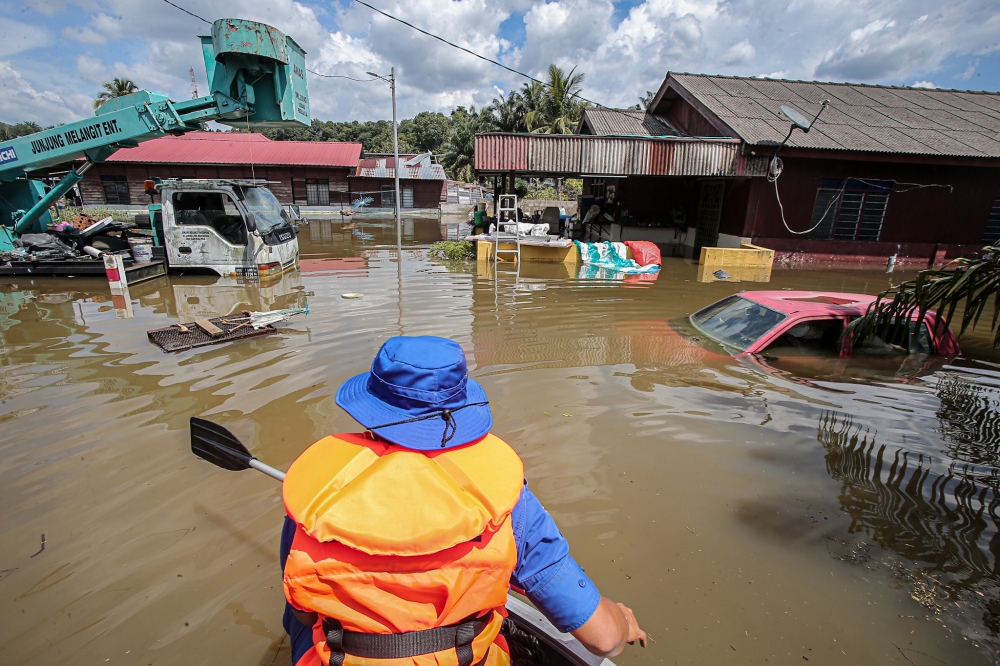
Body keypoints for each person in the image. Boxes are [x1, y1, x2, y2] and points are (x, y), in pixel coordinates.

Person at [280, 336, 646, 666]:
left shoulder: (315, 500)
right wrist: (621, 621)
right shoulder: (507, 501)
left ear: (371, 410)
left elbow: (305, 615)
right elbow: (604, 640)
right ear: (459, 409)